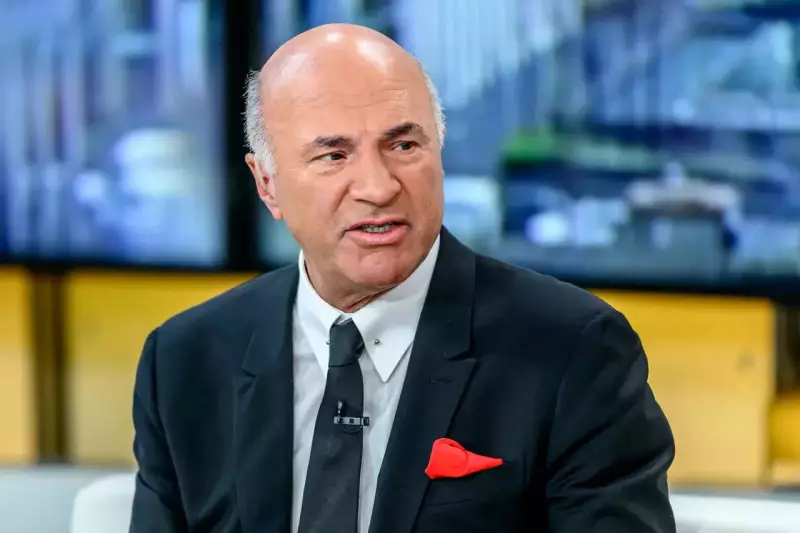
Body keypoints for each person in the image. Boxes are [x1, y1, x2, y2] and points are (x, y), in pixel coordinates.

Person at [130, 23, 676, 533]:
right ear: (267, 184)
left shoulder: (572, 352)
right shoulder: (183, 362)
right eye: (333, 155)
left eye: (403, 146)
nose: (378, 186)